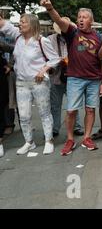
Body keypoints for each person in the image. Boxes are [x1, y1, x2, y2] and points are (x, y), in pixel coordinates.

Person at [40, 0, 102, 155]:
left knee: (90, 109)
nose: (81, 19)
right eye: (79, 17)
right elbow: (59, 21)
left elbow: (101, 57)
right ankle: (70, 139)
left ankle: (87, 137)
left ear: (91, 21)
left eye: (84, 17)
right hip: (75, 78)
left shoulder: (98, 37)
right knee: (71, 110)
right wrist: (50, 8)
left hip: (93, 79)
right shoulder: (72, 33)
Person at [0, 13, 59, 155]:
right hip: (21, 83)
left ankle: (49, 141)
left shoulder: (41, 41)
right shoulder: (18, 38)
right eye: (20, 22)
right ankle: (29, 142)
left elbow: (55, 59)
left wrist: (43, 70)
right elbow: (4, 26)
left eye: (23, 22)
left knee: (44, 112)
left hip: (38, 82)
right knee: (24, 115)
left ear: (32, 25)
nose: (20, 24)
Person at [48, 18, 84, 137]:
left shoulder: (78, 37)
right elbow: (46, 57)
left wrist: (71, 59)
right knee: (54, 105)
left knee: (74, 104)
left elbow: (82, 52)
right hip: (55, 76)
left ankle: (77, 127)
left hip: (73, 76)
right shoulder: (50, 40)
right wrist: (58, 60)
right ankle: (54, 128)